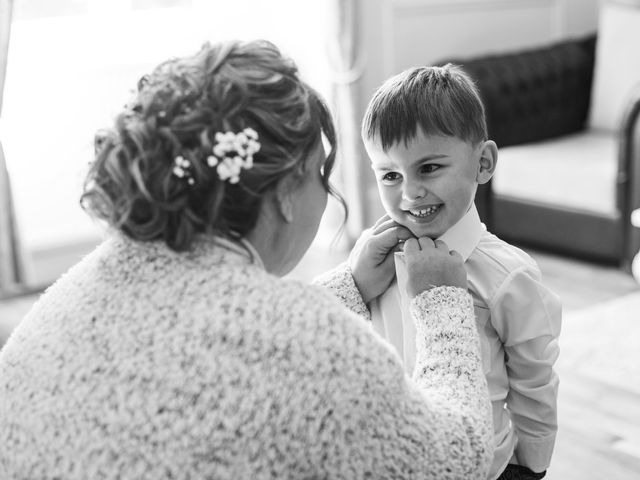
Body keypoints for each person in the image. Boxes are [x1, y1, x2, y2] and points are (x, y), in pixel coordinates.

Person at [0, 40, 493, 479]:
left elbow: (222, 352)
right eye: (321, 173)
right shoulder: (308, 343)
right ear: (284, 191)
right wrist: (441, 302)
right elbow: (458, 458)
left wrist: (349, 287)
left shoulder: (75, 289)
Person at [351, 64, 562, 480]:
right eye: (390, 175)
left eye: (429, 168)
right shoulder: (371, 259)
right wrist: (356, 286)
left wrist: (532, 465)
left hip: (486, 466)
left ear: (483, 163)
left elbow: (534, 377)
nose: (410, 192)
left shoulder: (508, 276)